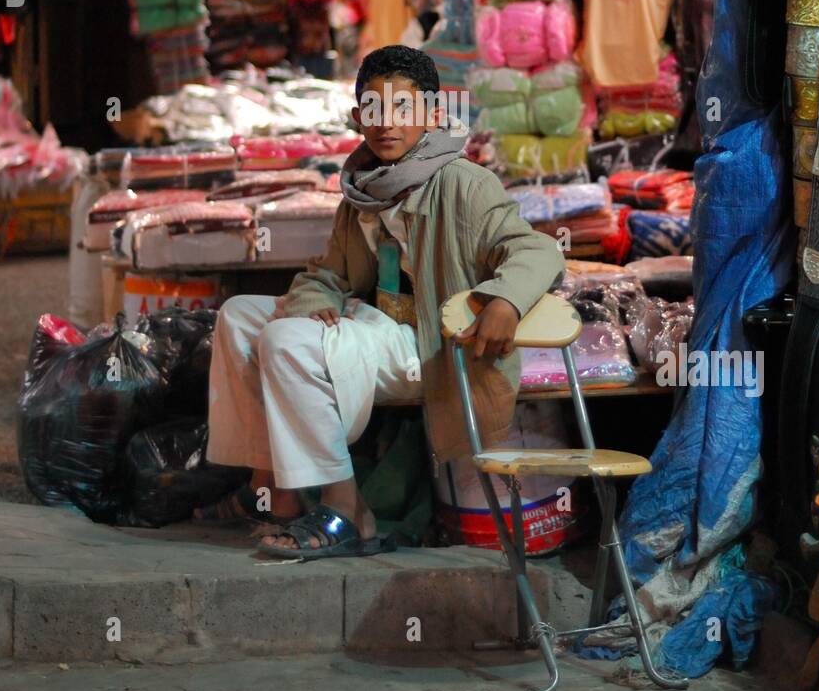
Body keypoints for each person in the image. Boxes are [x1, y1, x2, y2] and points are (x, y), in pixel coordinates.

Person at [198, 45, 564, 559]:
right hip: (374, 326)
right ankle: (275, 492)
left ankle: (347, 510)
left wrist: (503, 300)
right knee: (239, 316)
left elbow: (536, 249)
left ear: (433, 116)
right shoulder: (365, 189)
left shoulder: (463, 183)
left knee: (285, 338)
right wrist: (317, 296)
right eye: (373, 110)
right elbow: (330, 272)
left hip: (428, 344)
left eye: (403, 110)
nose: (386, 124)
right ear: (356, 118)